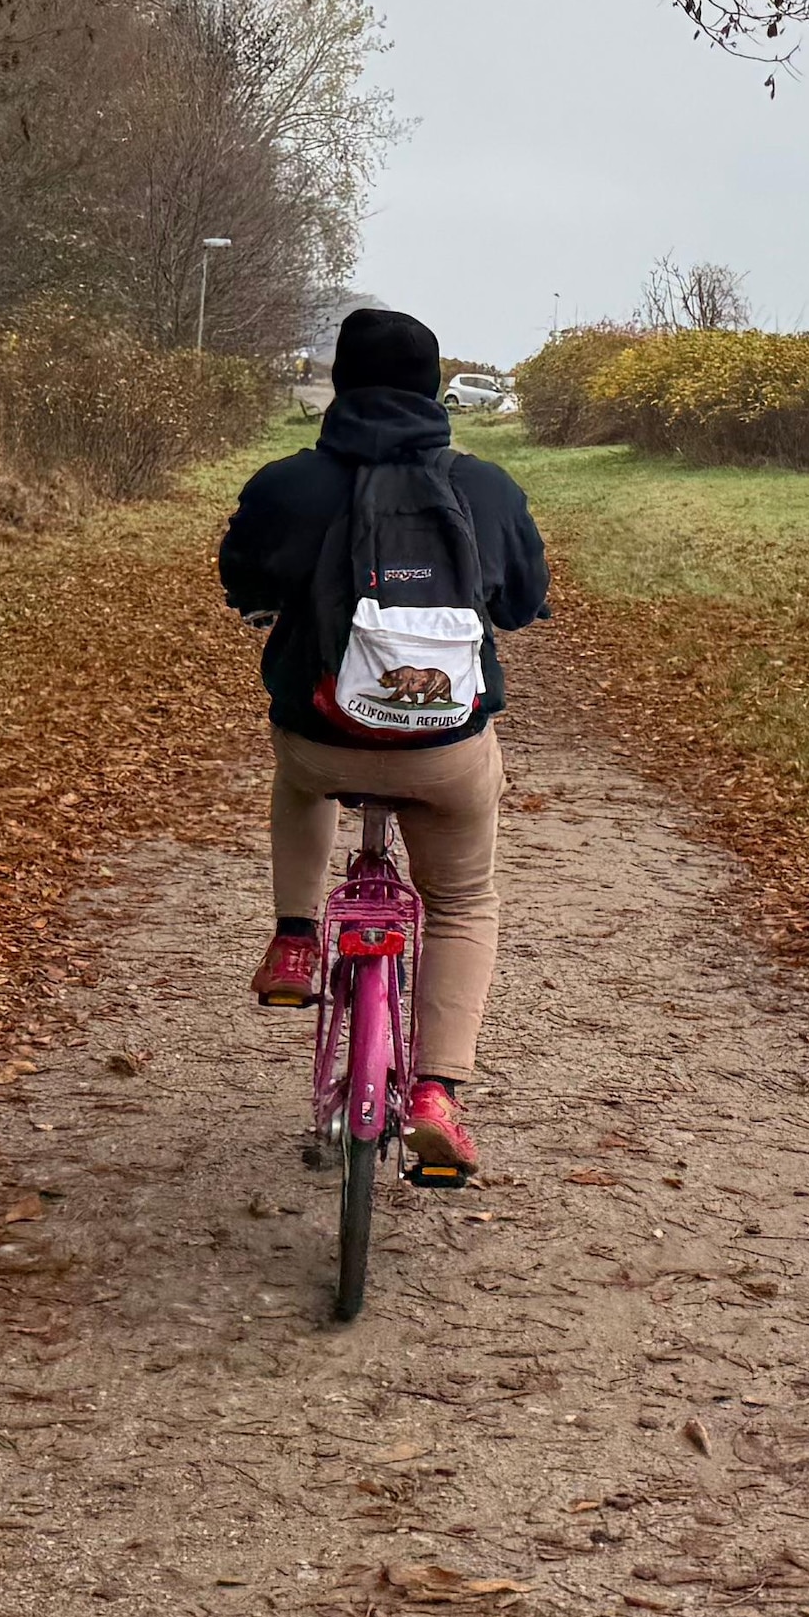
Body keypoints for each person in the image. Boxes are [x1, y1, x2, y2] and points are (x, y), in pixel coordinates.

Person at [217, 306, 550, 1185]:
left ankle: (294, 938)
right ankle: (438, 1094)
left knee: (296, 777)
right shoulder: (485, 487)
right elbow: (519, 601)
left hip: (324, 737)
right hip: (445, 755)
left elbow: (240, 578)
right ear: (434, 389)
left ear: (337, 384)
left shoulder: (290, 482)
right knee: (466, 901)